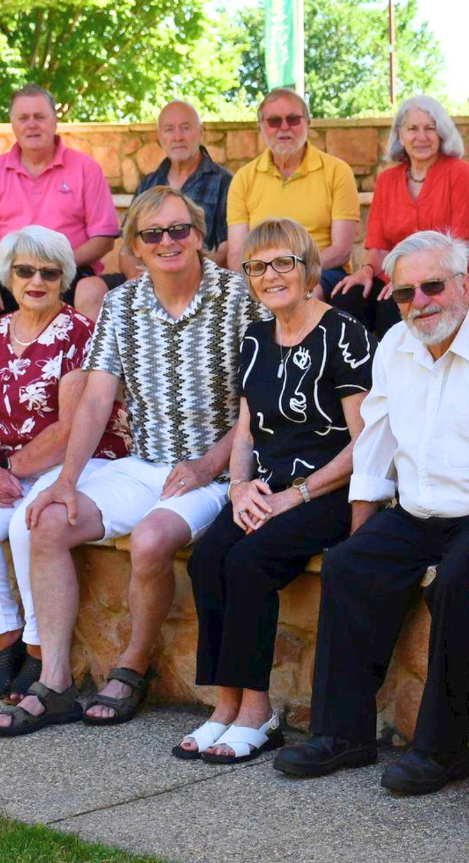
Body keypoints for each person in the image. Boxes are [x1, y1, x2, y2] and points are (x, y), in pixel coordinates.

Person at [273, 231, 469, 795]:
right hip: (417, 507)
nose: (419, 302)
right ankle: (343, 735)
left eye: (432, 286)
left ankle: (443, 751)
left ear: (465, 285)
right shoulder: (397, 343)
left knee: (457, 586)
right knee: (349, 567)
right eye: (404, 293)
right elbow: (375, 438)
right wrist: (360, 527)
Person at [0, 186, 265, 736]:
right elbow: (94, 398)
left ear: (200, 234)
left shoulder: (240, 296)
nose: (168, 242)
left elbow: (259, 402)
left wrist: (210, 466)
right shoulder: (121, 304)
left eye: (179, 229)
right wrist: (65, 481)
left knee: (151, 539)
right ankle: (58, 682)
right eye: (153, 233)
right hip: (144, 464)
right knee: (46, 521)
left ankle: (131, 668)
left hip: (216, 467)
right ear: (134, 245)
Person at [174, 218, 374, 763]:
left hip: (329, 489)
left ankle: (258, 712)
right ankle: (225, 705)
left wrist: (297, 495)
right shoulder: (256, 338)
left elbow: (367, 443)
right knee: (208, 558)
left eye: (283, 262)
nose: (270, 275)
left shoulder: (345, 333)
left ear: (308, 268)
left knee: (250, 563)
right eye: (257, 266)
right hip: (263, 486)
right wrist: (239, 487)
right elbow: (246, 430)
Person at [0, 225, 130, 704]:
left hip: (74, 461)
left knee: (30, 525)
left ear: (65, 278)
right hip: (10, 467)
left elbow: (70, 427)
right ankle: (7, 647)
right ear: (8, 276)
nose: (36, 281)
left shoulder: (78, 334)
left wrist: (10, 467)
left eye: (50, 272)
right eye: (25, 271)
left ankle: (39, 650)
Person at [0, 84, 123, 361]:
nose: (32, 125)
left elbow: (104, 238)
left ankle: (64, 385)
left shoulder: (85, 168)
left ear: (54, 121)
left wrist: (55, 263)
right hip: (9, 275)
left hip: (66, 273)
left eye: (40, 116)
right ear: (13, 125)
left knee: (81, 311)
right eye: (23, 118)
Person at [330, 94, 469, 336]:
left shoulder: (459, 173)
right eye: (412, 129)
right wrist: (365, 271)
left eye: (429, 129)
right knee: (346, 299)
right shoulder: (386, 180)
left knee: (393, 307)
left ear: (441, 133)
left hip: (438, 278)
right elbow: (378, 246)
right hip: (392, 276)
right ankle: (360, 373)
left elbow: (462, 244)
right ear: (400, 135)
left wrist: (409, 279)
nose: (421, 137)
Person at [72, 100, 234, 315]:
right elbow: (127, 249)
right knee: (88, 290)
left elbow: (226, 249)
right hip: (146, 276)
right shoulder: (149, 183)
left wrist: (184, 275)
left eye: (185, 128)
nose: (177, 136)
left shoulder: (224, 182)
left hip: (196, 280)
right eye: (169, 129)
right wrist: (134, 278)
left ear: (201, 132)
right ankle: (106, 348)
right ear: (160, 136)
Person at [226, 88, 360, 301]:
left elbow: (341, 249)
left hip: (320, 270)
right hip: (262, 272)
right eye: (274, 121)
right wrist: (266, 273)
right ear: (261, 127)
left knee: (306, 293)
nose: (284, 127)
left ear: (307, 122)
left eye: (293, 119)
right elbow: (236, 255)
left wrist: (291, 270)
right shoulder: (243, 178)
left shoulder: (337, 171)